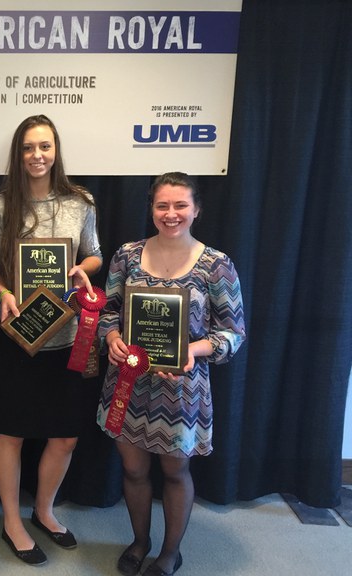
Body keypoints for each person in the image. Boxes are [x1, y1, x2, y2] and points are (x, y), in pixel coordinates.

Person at [97, 172, 246, 576]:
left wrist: (191, 350)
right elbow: (107, 312)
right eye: (162, 205)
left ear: (197, 209)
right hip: (128, 384)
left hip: (182, 390)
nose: (171, 214)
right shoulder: (126, 255)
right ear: (151, 209)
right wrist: (111, 337)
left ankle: (170, 551)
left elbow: (233, 334)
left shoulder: (217, 265)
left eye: (180, 205)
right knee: (132, 469)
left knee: (175, 471)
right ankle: (140, 541)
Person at [0, 114, 103, 566]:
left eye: (45, 147)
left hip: (70, 335)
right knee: (11, 433)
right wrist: (3, 291)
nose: (37, 155)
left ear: (56, 151)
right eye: (29, 147)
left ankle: (45, 511)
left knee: (65, 436)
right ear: (18, 153)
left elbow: (94, 254)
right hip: (21, 336)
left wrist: (80, 270)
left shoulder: (81, 201)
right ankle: (12, 520)